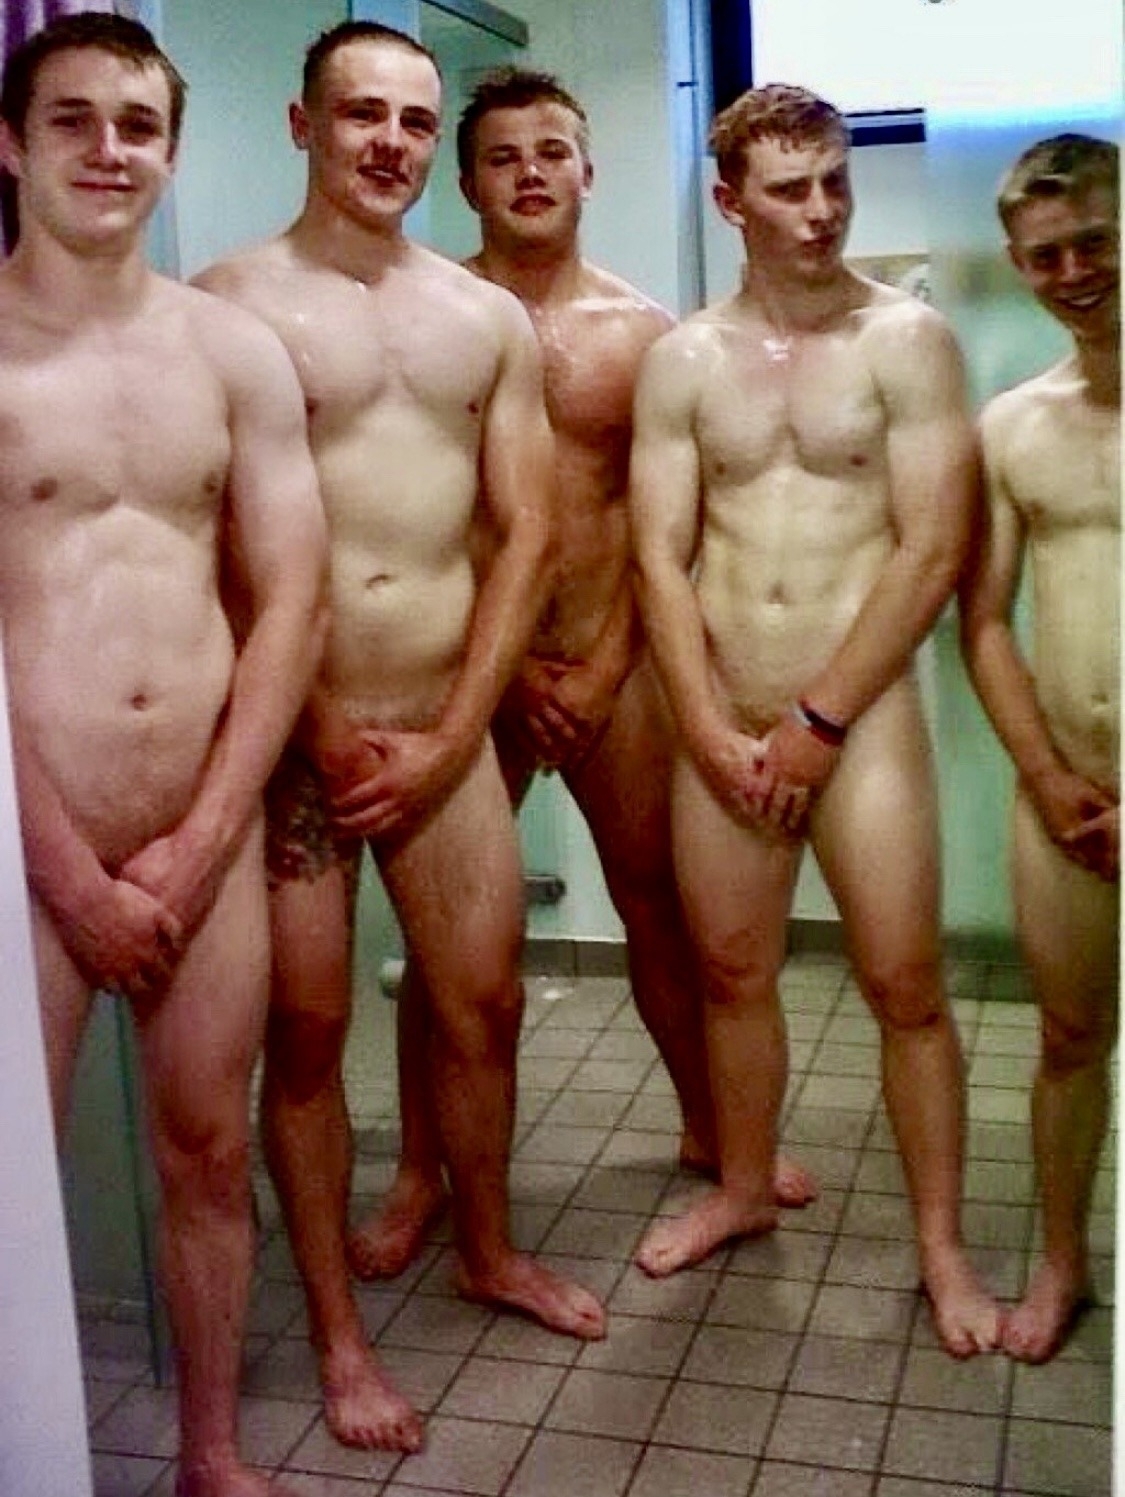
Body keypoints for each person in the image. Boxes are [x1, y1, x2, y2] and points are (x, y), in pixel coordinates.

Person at [196, 21, 607, 1447]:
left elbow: (529, 531)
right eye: (361, 113)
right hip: (290, 739)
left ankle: (487, 1247)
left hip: (441, 725)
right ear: (302, 124)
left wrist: (456, 731)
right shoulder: (228, 305)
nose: (390, 142)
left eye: (415, 121)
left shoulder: (482, 319)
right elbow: (219, 542)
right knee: (308, 1033)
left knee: (483, 1004)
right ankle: (337, 1334)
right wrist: (308, 721)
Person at [348, 67, 816, 1279]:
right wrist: (505, 678)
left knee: (660, 904)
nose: (531, 174)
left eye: (552, 151)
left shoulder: (643, 333)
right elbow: (422, 515)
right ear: (467, 182)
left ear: (588, 172)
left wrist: (605, 669)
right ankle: (420, 1174)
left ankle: (712, 1127)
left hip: (616, 662)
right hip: (475, 668)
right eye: (503, 156)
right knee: (445, 943)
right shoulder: (433, 320)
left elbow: (673, 527)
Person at [0, 14, 328, 1497]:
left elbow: (292, 602)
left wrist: (205, 837)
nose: (108, 150)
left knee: (207, 1148)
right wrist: (67, 873)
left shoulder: (231, 352)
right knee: (15, 1183)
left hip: (203, 823)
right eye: (71, 119)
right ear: (12, 144)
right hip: (28, 842)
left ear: (173, 152)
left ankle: (210, 1452)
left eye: (137, 124)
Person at [627, 82, 1001, 1358]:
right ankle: (741, 1186)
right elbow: (659, 555)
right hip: (725, 711)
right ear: (729, 201)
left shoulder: (908, 341)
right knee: (733, 973)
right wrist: (703, 721)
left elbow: (933, 548)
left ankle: (941, 1249)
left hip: (861, 716)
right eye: (789, 189)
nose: (823, 209)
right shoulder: (683, 360)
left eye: (834, 180)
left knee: (905, 984)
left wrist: (820, 722)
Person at [959, 133, 1119, 1363]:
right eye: (1047, 255)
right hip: (1067, 794)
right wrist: (1049, 779)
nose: (1074, 272)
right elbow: (984, 622)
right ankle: (1063, 1263)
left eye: (1097, 242)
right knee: (1067, 1040)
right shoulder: (1013, 426)